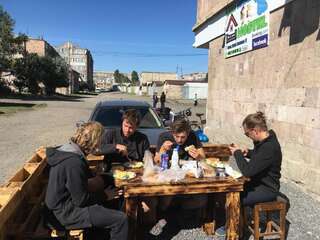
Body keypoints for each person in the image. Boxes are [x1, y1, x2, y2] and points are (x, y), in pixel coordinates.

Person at [45, 122, 128, 240]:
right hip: (64, 213)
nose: (100, 144)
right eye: (99, 140)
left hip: (61, 207)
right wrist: (105, 195)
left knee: (109, 190)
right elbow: (81, 200)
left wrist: (104, 180)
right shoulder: (73, 162)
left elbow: (79, 184)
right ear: (93, 141)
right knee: (120, 219)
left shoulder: (68, 151)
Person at [229, 111, 282, 206]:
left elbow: (248, 171)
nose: (248, 137)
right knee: (229, 190)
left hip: (266, 189)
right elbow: (261, 157)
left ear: (255, 131)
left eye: (247, 134)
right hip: (257, 183)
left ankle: (233, 220)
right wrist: (249, 153)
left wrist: (237, 153)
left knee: (232, 199)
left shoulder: (269, 147)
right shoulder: (265, 141)